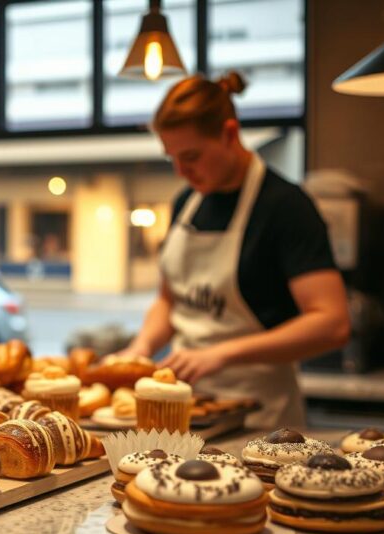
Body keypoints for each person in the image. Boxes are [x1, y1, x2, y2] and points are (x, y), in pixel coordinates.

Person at [120, 71, 350, 428]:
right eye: (172, 158)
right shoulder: (186, 203)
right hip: (185, 408)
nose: (181, 171)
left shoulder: (285, 206)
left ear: (229, 133)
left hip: (261, 417)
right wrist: (141, 349)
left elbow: (332, 322)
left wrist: (222, 354)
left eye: (191, 156)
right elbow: (169, 300)